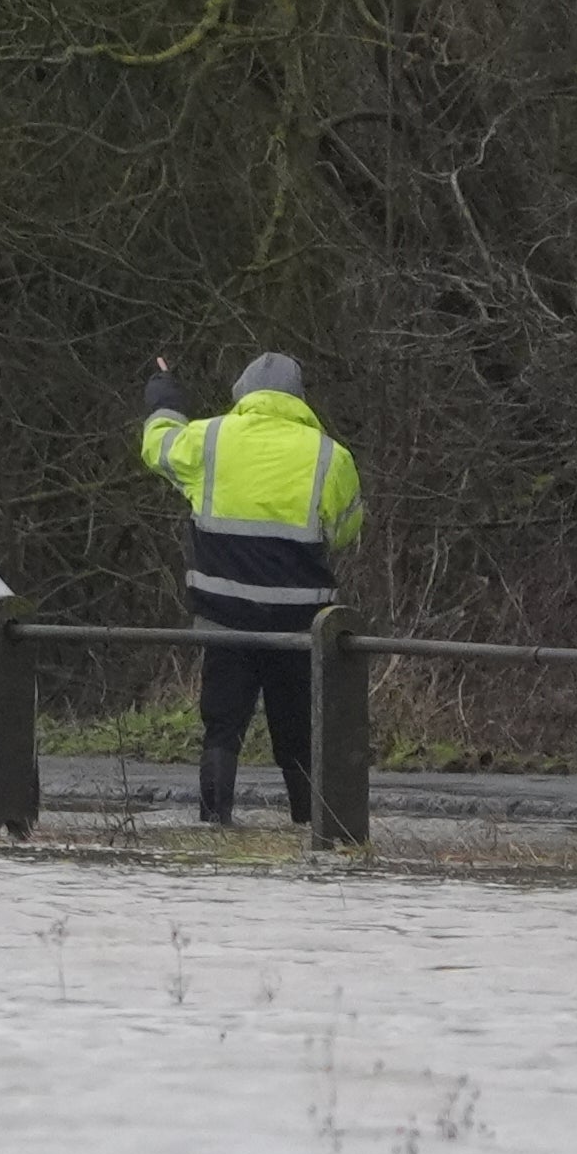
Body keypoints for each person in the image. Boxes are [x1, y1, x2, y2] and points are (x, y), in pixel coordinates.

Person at [139, 352, 363, 825]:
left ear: (241, 393)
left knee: (222, 727)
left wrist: (164, 394)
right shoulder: (330, 455)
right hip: (298, 625)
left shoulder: (211, 439)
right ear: (299, 399)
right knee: (297, 733)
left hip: (224, 616)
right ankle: (311, 828)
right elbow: (344, 530)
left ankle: (214, 825)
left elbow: (156, 447)